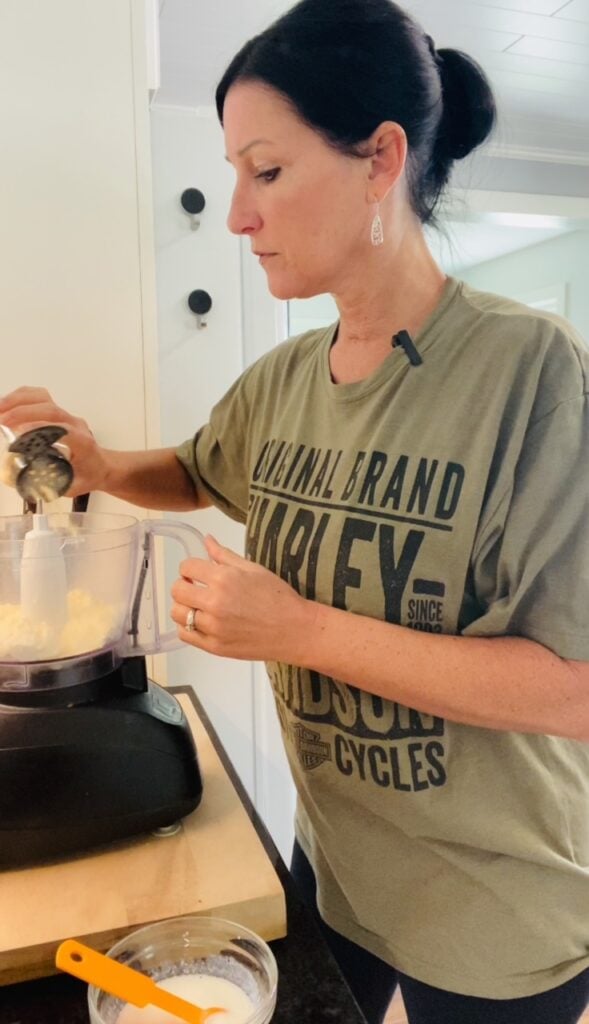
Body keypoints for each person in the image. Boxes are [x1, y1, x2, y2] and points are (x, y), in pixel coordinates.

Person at [1, 1, 588, 1021]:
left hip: (495, 911)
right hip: (337, 870)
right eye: (234, 175)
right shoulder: (284, 379)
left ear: (380, 160)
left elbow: (571, 691)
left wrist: (299, 629)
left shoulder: (530, 371)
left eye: (266, 171)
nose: (238, 214)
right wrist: (100, 463)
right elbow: (200, 471)